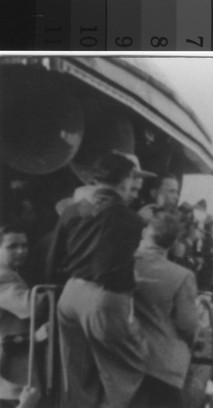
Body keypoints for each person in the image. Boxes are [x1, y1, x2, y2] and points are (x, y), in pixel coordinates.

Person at [46, 152, 155, 408]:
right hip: (104, 299)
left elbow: (53, 261)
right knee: (126, 368)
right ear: (125, 180)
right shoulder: (131, 219)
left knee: (77, 375)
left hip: (70, 297)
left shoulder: (72, 212)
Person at [132, 211, 198, 408]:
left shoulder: (124, 265)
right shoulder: (182, 276)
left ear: (145, 233)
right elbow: (187, 325)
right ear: (172, 243)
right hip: (163, 367)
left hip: (125, 363)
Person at [0, 225, 38, 407]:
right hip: (8, 368)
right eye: (12, 246)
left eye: (24, 245)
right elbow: (32, 307)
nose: (21, 251)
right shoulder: (3, 277)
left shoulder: (12, 273)